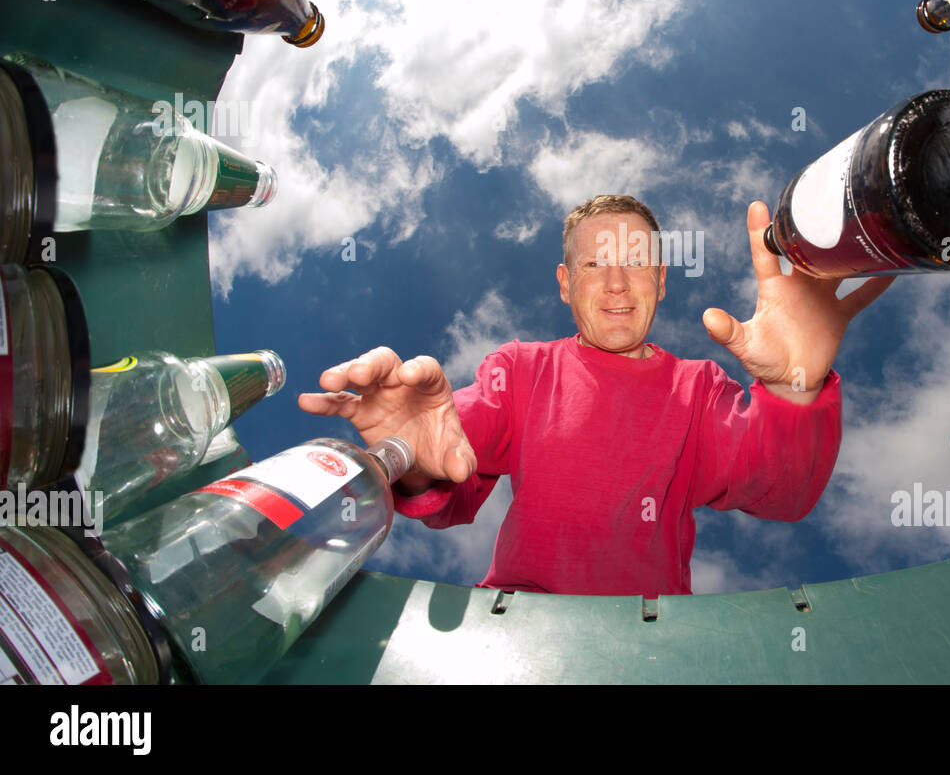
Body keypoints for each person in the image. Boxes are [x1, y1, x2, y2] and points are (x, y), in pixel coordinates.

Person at [298, 195, 891, 596]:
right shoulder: (521, 371)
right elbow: (456, 446)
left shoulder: (698, 390)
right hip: (515, 638)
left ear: (660, 281)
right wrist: (415, 456)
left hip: (651, 652)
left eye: (636, 264)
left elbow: (781, 488)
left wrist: (793, 389)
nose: (615, 284)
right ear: (564, 284)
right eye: (592, 265)